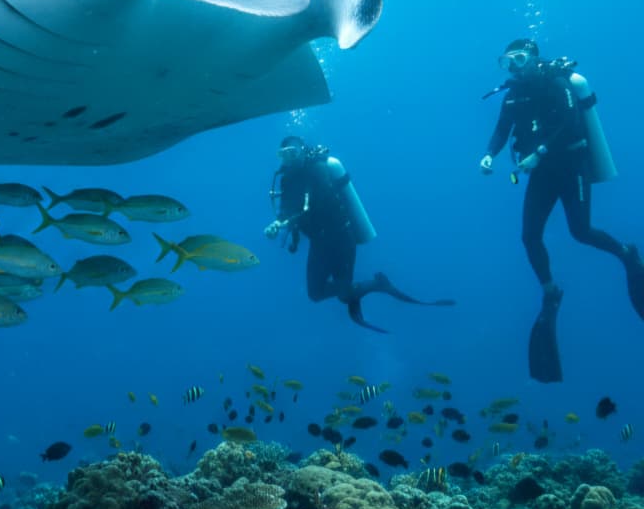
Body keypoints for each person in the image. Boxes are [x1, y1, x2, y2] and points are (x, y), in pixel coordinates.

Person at [480, 38, 643, 383]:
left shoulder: (558, 84)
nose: (514, 66)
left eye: (519, 59)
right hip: (541, 174)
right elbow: (501, 129)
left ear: (534, 58)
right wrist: (489, 154)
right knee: (529, 236)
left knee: (580, 231)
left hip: (571, 167)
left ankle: (626, 253)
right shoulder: (512, 94)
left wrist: (539, 151)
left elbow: (569, 122)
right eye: (506, 61)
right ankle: (551, 289)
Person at [265, 135, 454, 332]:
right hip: (319, 242)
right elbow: (285, 210)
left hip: (340, 239)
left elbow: (318, 205)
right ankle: (376, 285)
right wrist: (277, 224)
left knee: (344, 294)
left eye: (293, 153)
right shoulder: (286, 180)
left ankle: (377, 285)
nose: (289, 159)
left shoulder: (318, 170)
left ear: (303, 151)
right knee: (315, 293)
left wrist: (290, 219)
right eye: (283, 154)